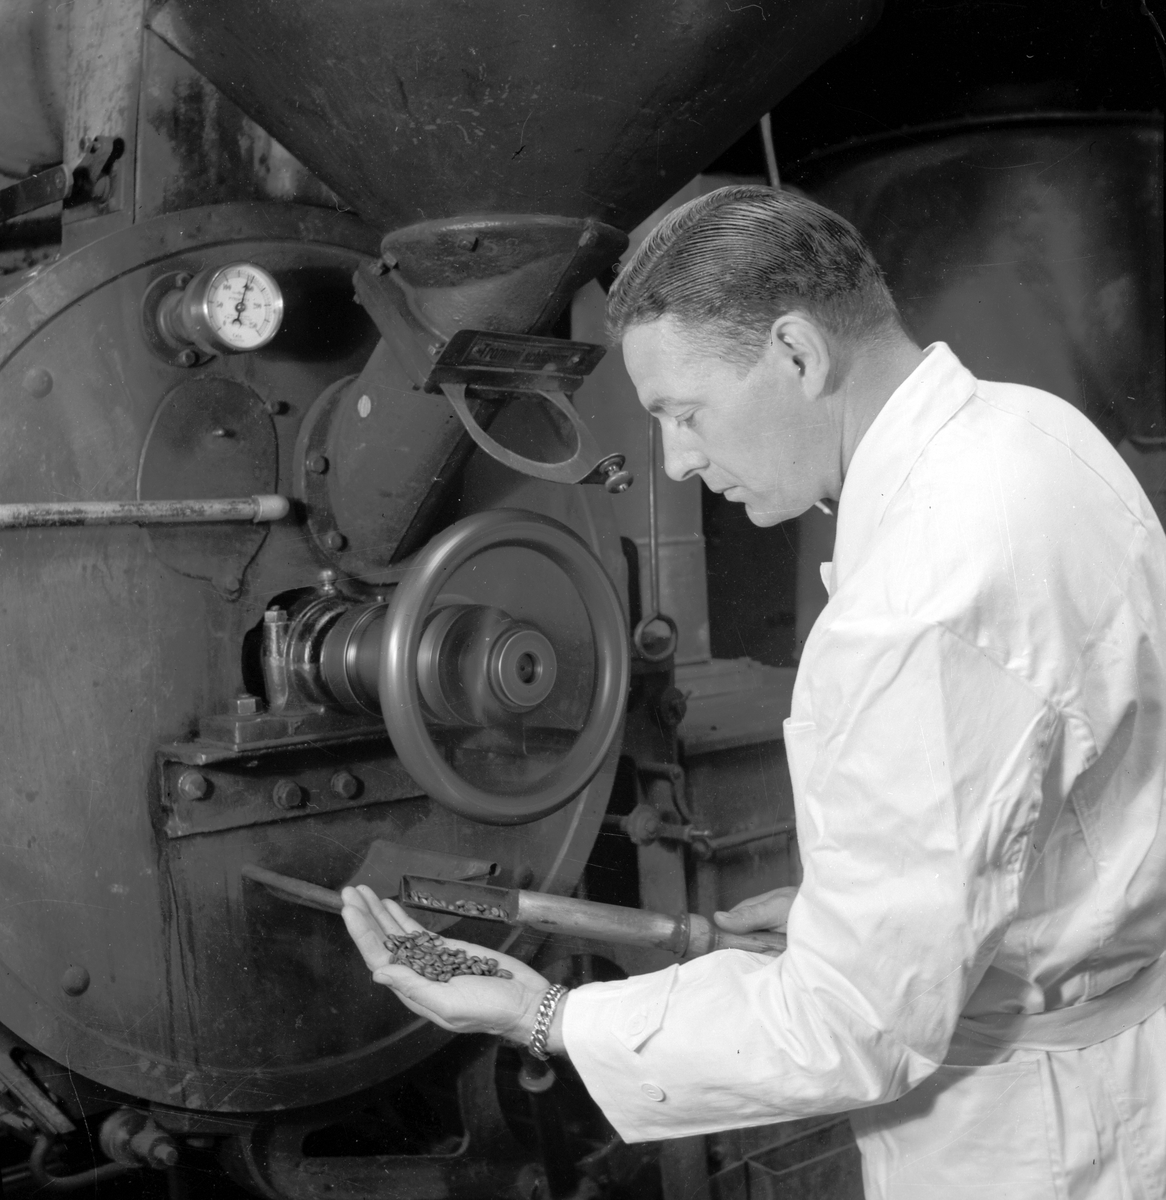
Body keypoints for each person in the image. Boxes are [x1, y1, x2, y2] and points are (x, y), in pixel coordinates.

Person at [343, 186, 1166, 1199]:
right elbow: (1075, 795)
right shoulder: (1031, 430)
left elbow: (845, 1030)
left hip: (1033, 1140)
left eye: (684, 414)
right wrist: (863, 914)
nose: (679, 460)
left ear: (796, 352)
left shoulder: (918, 605)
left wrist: (543, 1014)